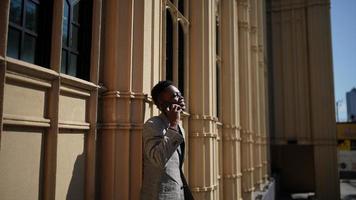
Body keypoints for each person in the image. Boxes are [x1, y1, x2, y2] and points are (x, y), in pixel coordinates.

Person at [141, 80, 194, 200]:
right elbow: (158, 159)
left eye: (180, 94)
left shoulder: (180, 127)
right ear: (161, 101)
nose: (181, 98)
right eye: (175, 95)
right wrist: (174, 124)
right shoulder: (153, 124)